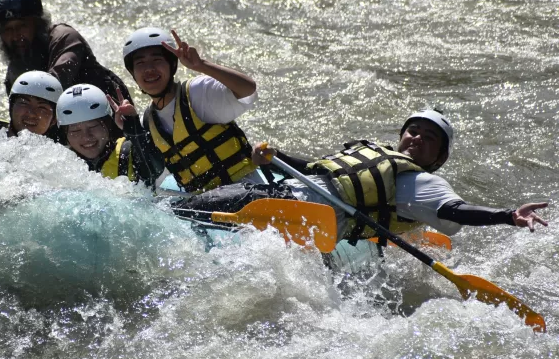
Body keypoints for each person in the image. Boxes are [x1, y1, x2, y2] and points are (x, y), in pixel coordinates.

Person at [179, 109, 548, 242]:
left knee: (181, 211)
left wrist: (506, 216)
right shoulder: (372, 153)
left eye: (429, 137)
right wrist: (273, 156)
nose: (417, 138)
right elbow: (314, 169)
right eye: (413, 130)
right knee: (188, 203)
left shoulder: (425, 183)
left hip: (300, 213)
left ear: (439, 158)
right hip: (287, 194)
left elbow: (454, 211)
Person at [121, 27, 272, 193]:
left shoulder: (197, 93)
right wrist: (130, 128)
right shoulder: (148, 121)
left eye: (157, 60)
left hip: (246, 191)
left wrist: (202, 65)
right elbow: (150, 178)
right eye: (140, 63)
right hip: (204, 208)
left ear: (172, 65)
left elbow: (248, 90)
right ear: (133, 73)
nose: (149, 69)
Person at [0, 0, 132, 101]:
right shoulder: (16, 69)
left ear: (37, 23)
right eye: (7, 30)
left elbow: (53, 86)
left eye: (22, 26)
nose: (15, 36)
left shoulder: (65, 37)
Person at [55, 84, 163, 186]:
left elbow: (155, 170)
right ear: (66, 135)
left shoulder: (126, 153)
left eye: (93, 126)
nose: (86, 137)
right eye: (75, 131)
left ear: (108, 125)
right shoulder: (61, 164)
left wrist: (135, 131)